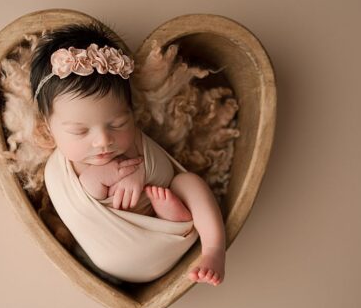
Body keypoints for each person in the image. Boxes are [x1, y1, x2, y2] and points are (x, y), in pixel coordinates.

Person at [34, 23, 225, 286]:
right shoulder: (59, 170)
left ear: (131, 113)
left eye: (117, 124)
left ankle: (213, 247)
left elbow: (162, 170)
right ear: (48, 128)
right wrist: (102, 178)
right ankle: (170, 217)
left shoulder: (134, 140)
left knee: (189, 183)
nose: (103, 141)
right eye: (80, 131)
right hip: (114, 257)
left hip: (171, 234)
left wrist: (140, 173)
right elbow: (79, 205)